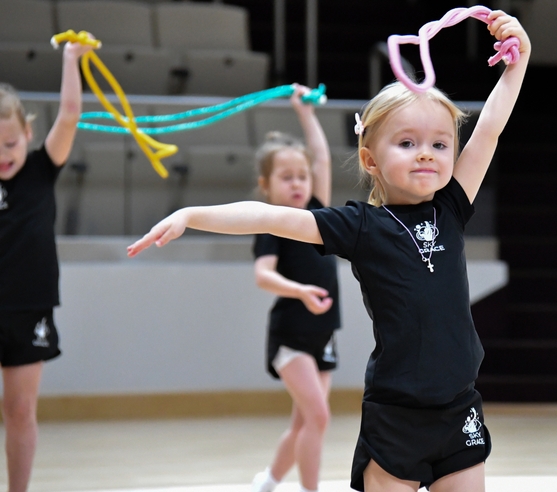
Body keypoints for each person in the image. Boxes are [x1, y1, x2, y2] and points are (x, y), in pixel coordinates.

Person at [128, 10, 529, 492]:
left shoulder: (452, 207)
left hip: (458, 408)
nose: (427, 153)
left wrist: (516, 64)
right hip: (396, 417)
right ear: (370, 159)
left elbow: (488, 130)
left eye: (440, 144)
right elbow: (268, 217)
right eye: (407, 142)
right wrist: (192, 215)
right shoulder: (359, 225)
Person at [0, 37, 94, 492]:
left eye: (10, 142)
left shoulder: (41, 168)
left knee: (20, 409)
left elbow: (71, 114)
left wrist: (70, 61)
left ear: (28, 133)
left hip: (29, 307)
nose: (4, 154)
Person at [249, 84, 341, 492]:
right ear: (265, 185)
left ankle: (267, 482)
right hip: (290, 336)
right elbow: (262, 276)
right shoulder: (271, 224)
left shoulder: (317, 215)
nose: (298, 184)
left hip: (323, 333)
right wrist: (301, 291)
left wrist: (305, 113)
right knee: (319, 417)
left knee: (305, 422)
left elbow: (321, 156)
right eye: (286, 178)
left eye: (302, 176)